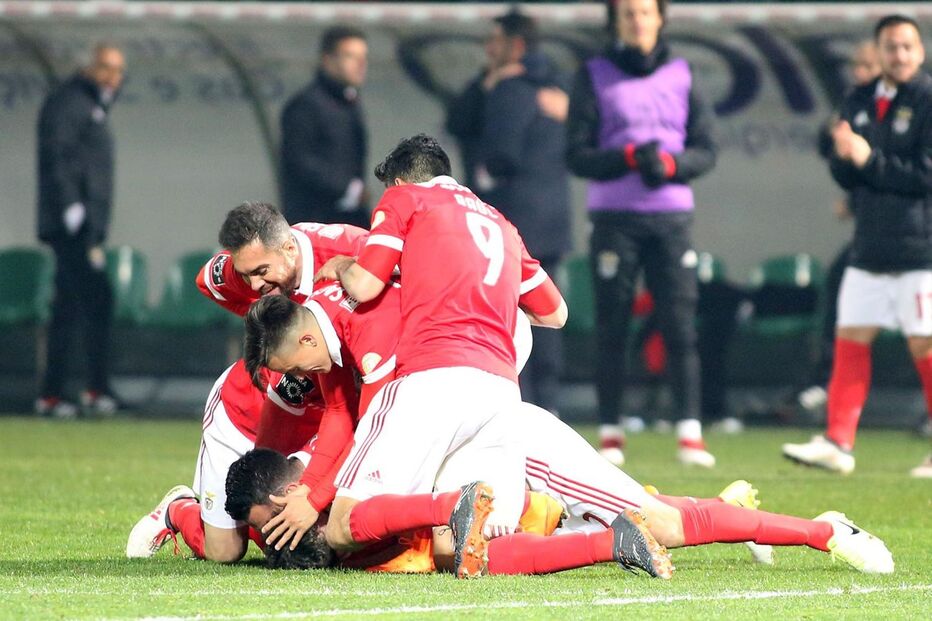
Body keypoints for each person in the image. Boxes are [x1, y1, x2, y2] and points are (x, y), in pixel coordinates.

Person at [229, 403, 895, 577]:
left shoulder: (338, 479)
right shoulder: (302, 507)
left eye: (276, 523)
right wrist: (181, 508)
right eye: (268, 534)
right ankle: (719, 509)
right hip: (485, 471)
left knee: (659, 522)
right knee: (457, 549)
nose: (279, 539)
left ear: (293, 486)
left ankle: (827, 530)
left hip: (511, 445)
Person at [566, 0, 717, 468]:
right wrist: (628, 157)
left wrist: (671, 165)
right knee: (612, 326)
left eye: (645, 12)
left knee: (679, 324)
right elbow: (576, 154)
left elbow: (707, 149)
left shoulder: (682, 73)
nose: (637, 21)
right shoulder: (593, 74)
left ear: (660, 18)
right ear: (616, 22)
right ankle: (611, 434)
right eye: (628, 13)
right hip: (614, 218)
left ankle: (690, 433)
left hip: (671, 219)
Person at [782, 15, 932, 478]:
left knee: (924, 344)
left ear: (920, 52)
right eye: (891, 46)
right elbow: (847, 175)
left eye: (907, 46)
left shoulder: (928, 100)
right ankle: (838, 442)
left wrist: (870, 159)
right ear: (879, 52)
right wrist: (843, 155)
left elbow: (925, 175)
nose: (899, 55)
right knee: (850, 338)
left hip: (920, 249)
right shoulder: (860, 99)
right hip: (869, 244)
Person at [446, 9, 571, 416]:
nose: (488, 49)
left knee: (509, 316)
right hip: (552, 221)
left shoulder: (511, 89)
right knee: (547, 314)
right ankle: (547, 408)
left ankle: (521, 407)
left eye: (494, 41)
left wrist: (483, 176)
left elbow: (499, 153)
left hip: (513, 223)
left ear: (515, 46)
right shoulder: (556, 85)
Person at [125, 360, 324, 563]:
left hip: (320, 426)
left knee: (312, 533)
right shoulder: (294, 362)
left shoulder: (340, 355)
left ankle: (255, 524)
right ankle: (178, 509)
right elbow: (267, 452)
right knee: (225, 551)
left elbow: (340, 423)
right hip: (241, 421)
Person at [35, 43, 126, 418]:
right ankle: (78, 390)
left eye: (118, 70)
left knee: (74, 304)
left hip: (87, 226)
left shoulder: (93, 105)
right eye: (106, 67)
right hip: (73, 226)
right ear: (88, 67)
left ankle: (64, 392)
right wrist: (72, 205)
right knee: (91, 300)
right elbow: (59, 155)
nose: (113, 77)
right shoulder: (70, 103)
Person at [795, 40, 881, 415]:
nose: (860, 73)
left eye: (868, 65)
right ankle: (825, 383)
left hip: (916, 241)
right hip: (876, 237)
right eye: (857, 65)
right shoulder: (855, 107)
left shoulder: (913, 109)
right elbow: (834, 155)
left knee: (920, 333)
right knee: (840, 287)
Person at [280, 26, 370, 229]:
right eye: (351, 56)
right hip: (314, 220)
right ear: (328, 60)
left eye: (363, 57)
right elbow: (300, 160)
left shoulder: (351, 103)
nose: (361, 64)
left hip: (349, 217)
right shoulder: (305, 105)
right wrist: (348, 189)